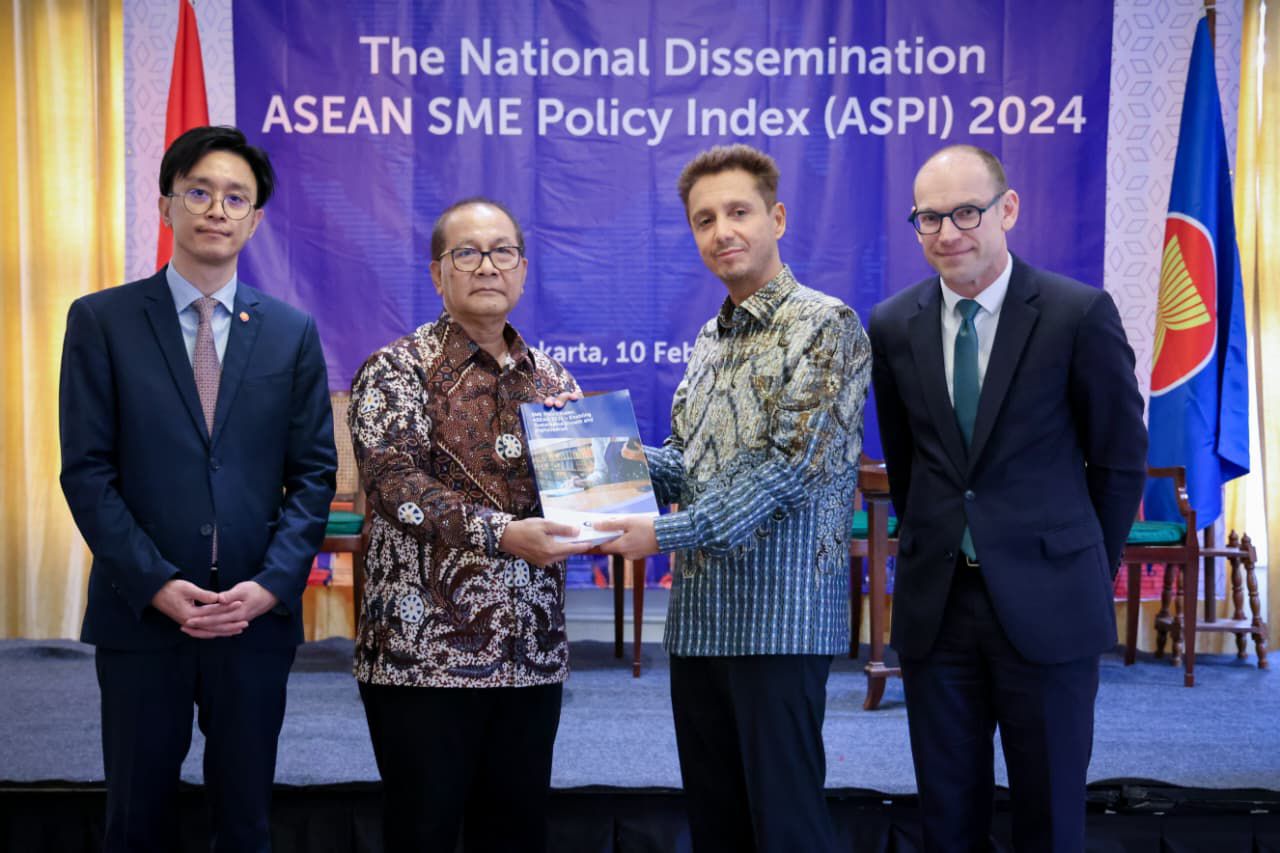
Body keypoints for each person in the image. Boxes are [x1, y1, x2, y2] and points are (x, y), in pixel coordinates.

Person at [59, 125, 337, 852]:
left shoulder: (290, 332)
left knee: (245, 822)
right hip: (142, 614)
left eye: (235, 197)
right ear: (165, 206)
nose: (217, 209)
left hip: (252, 618)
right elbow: (86, 470)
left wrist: (272, 585)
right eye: (200, 192)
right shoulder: (102, 320)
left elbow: (314, 474)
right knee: (135, 821)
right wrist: (154, 582)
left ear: (255, 219)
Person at [868, 144, 1147, 851]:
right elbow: (909, 464)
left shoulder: (1076, 313)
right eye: (929, 218)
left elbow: (1118, 461)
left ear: (1008, 209)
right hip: (937, 610)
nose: (948, 232)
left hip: (1051, 600)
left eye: (966, 212)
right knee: (947, 818)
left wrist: (1085, 565)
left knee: (1049, 817)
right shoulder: (893, 324)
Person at [595, 144, 871, 852]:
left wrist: (662, 536)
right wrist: (595, 453)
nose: (722, 231)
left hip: (781, 619)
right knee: (717, 825)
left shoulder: (826, 325)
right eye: (705, 219)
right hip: (701, 620)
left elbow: (787, 471)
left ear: (776, 218)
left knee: (787, 828)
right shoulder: (709, 339)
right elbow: (687, 465)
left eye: (739, 212)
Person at [348, 197, 592, 853]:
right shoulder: (397, 368)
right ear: (437, 273)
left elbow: (580, 497)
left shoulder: (552, 379)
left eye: (502, 251)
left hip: (531, 657)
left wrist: (593, 489)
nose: (487, 266)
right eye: (467, 253)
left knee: (516, 835)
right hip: (424, 659)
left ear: (523, 269)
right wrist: (502, 534)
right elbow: (396, 484)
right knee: (422, 834)